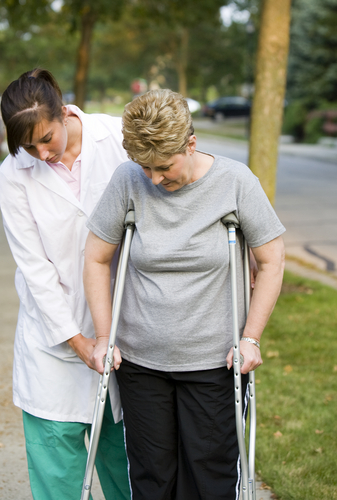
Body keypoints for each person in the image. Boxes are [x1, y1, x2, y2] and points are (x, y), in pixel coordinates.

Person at [83, 89, 286, 500]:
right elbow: (96, 258)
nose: (155, 179)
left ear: (191, 144)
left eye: (164, 166)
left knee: (208, 481)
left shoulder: (235, 182)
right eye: (145, 168)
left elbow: (272, 259)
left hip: (214, 363)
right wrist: (104, 337)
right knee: (151, 479)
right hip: (141, 363)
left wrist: (250, 337)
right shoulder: (128, 180)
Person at [0, 68, 131, 500]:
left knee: (129, 465)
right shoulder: (13, 174)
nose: (40, 153)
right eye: (28, 146)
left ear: (62, 110)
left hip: (128, 331)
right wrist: (78, 341)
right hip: (52, 341)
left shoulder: (116, 137)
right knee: (58, 475)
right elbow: (35, 269)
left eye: (46, 138)